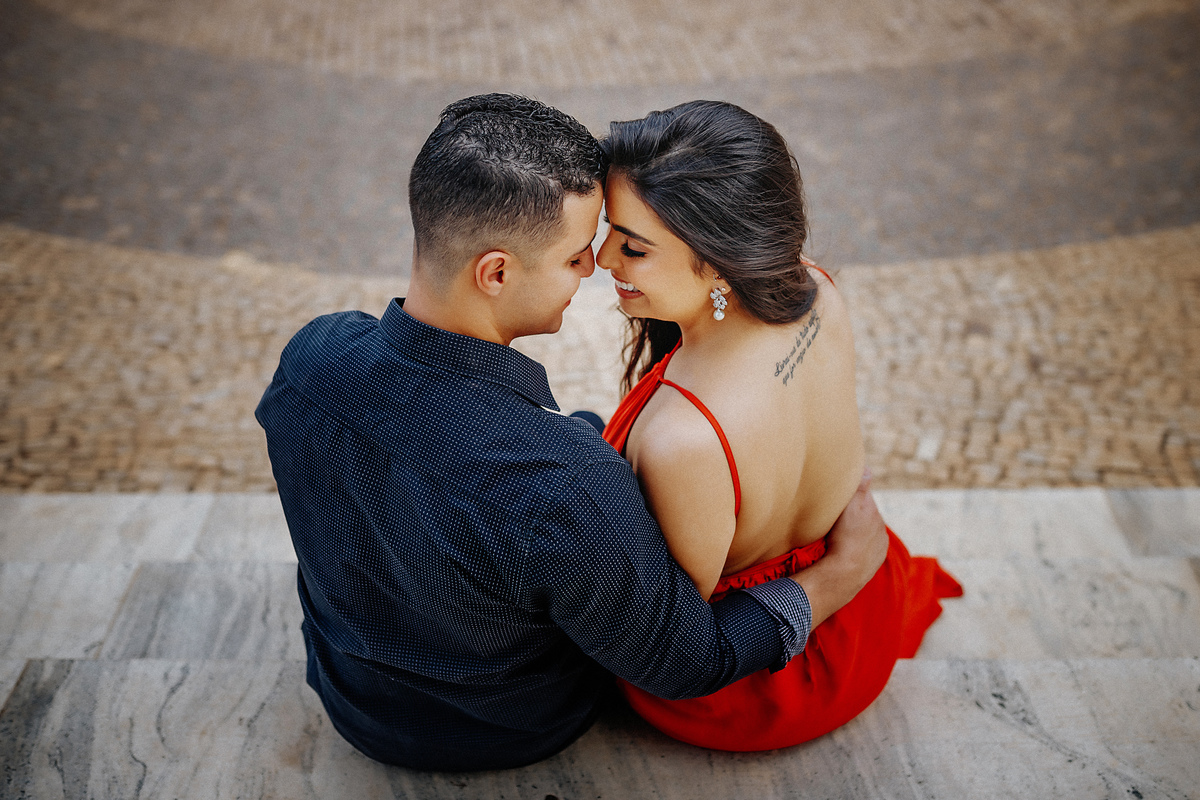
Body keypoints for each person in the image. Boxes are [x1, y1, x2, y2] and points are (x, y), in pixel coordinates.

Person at [256, 94, 889, 771]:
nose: (596, 268)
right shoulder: (566, 489)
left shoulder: (310, 358)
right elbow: (683, 659)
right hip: (515, 731)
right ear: (495, 272)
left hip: (352, 705)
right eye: (574, 257)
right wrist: (843, 574)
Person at [596, 100, 963, 752]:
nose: (602, 258)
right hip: (861, 620)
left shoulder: (684, 438)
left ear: (715, 261)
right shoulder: (819, 290)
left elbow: (679, 638)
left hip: (756, 687)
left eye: (632, 245)